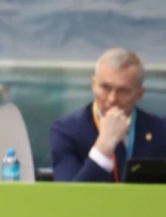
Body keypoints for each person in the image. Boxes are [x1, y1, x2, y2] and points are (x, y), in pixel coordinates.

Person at [50, 48, 166, 182]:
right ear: (93, 85)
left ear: (139, 94)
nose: (112, 99)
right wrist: (103, 147)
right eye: (105, 88)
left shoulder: (160, 130)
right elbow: (70, 197)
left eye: (123, 91)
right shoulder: (67, 131)